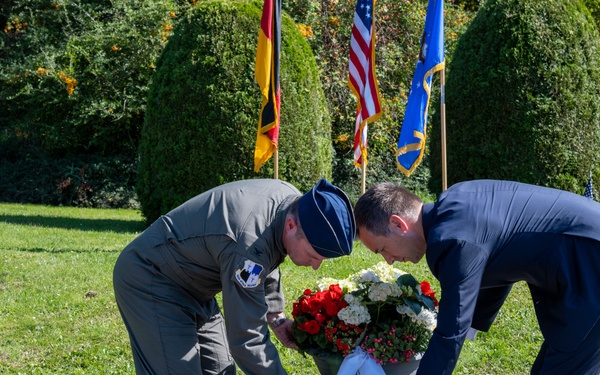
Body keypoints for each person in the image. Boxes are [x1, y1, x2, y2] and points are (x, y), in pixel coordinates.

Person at [353, 179, 600, 375]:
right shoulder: (455, 202)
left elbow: (450, 333)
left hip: (590, 265)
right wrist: (472, 323)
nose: (388, 259)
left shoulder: (451, 240)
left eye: (382, 249)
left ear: (398, 224)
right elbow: (499, 265)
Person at [113, 178, 356, 375]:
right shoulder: (248, 248)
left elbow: (270, 250)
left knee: (219, 370)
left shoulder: (292, 201)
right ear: (292, 226)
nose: (316, 266)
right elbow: (247, 339)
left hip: (195, 288)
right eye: (314, 255)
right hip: (151, 278)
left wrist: (276, 316)